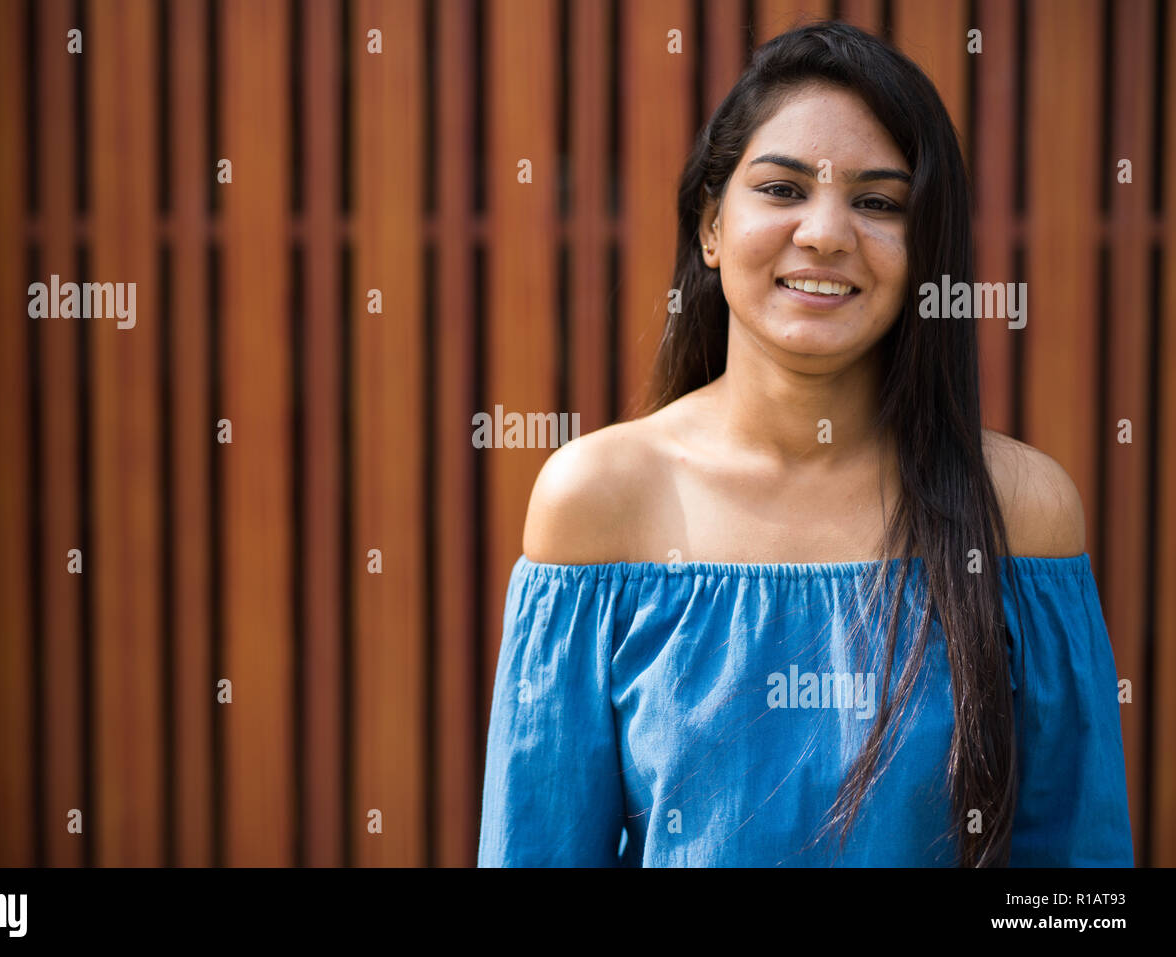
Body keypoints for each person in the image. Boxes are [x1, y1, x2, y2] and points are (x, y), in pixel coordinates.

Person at [477, 21, 1133, 867]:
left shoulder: (1022, 509)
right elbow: (536, 848)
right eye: (783, 190)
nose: (825, 233)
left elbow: (1075, 882)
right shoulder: (598, 498)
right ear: (710, 227)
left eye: (878, 202)